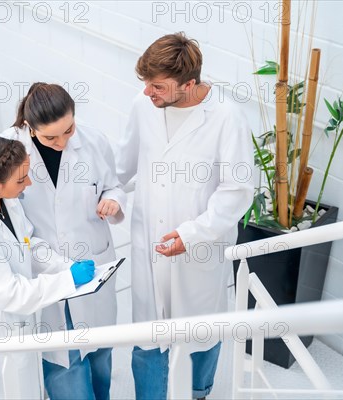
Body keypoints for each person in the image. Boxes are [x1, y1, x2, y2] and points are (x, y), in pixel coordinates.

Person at [0, 83, 126, 399]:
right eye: (51, 137)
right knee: (64, 373)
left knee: (100, 366)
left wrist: (112, 201)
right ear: (29, 127)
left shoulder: (92, 142)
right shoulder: (6, 154)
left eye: (69, 130)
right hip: (36, 296)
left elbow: (113, 185)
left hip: (78, 266)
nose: (63, 142)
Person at [114, 32, 254, 399]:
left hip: (199, 247)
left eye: (157, 85)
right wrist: (104, 193)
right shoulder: (144, 106)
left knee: (201, 330)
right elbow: (123, 165)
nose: (148, 92)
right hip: (151, 243)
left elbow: (236, 191)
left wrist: (192, 234)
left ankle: (197, 392)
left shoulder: (226, 118)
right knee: (148, 334)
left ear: (189, 84)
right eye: (146, 83)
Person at [0, 137, 96, 399]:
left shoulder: (7, 204)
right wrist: (66, 281)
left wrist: (66, 266)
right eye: (21, 179)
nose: (29, 183)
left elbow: (28, 245)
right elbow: (12, 294)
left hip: (20, 331)